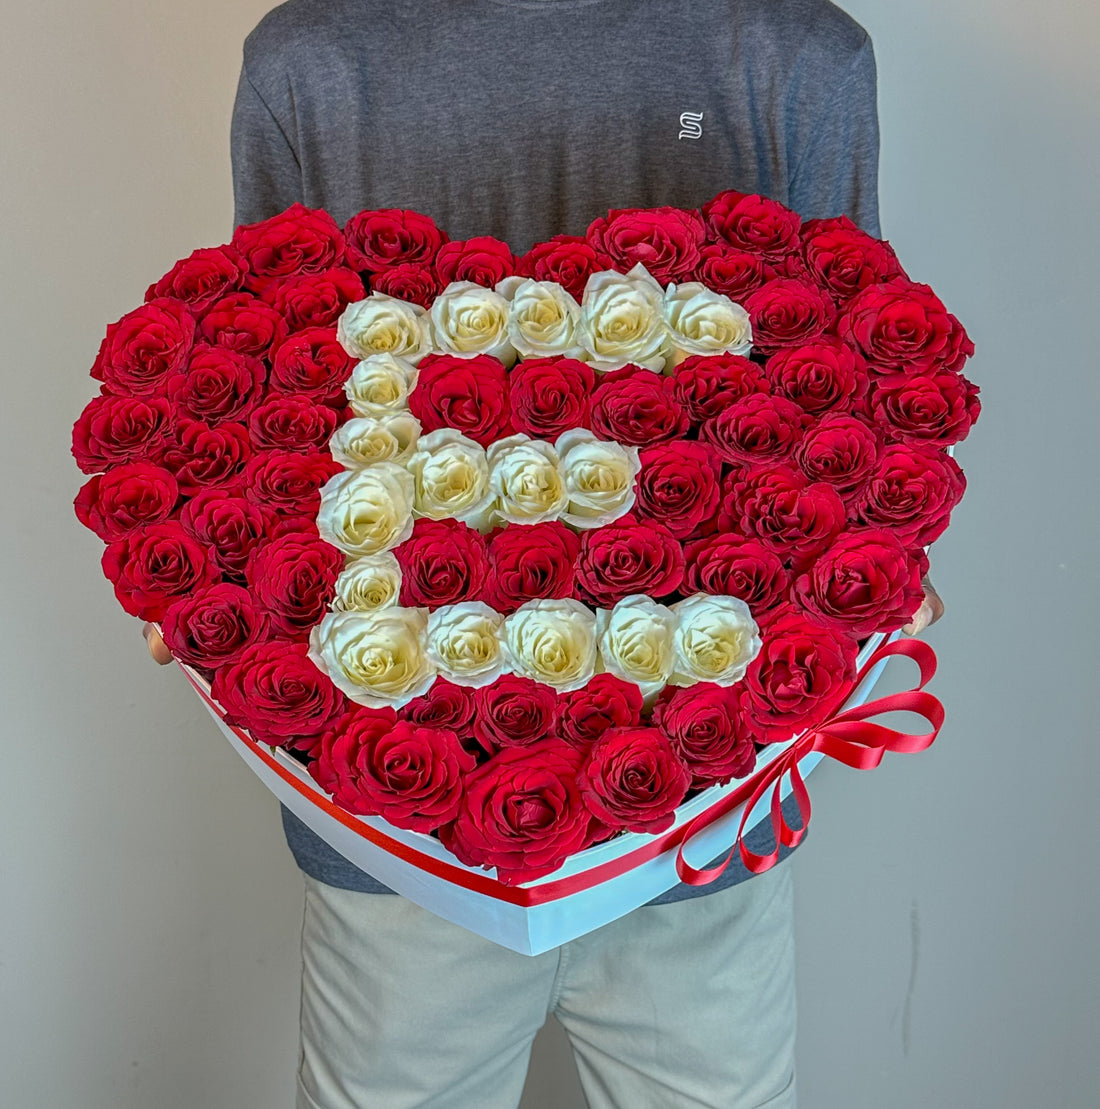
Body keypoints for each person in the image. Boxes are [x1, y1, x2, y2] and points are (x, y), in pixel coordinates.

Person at [145, 2, 944, 1105]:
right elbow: (275, 398)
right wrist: (204, 569)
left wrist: (883, 570)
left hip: (703, 840)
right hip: (395, 842)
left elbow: (853, 395)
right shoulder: (311, 64)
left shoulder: (795, 56)